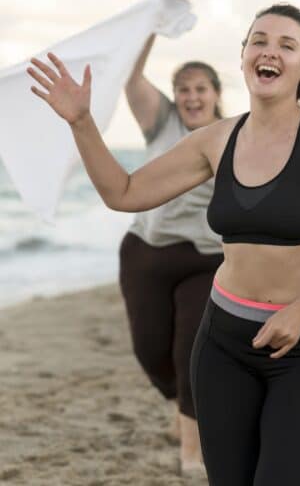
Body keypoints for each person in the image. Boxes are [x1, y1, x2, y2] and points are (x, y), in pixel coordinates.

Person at [27, 2, 300, 485]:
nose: (269, 51)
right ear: (245, 56)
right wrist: (81, 122)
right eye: (259, 41)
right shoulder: (215, 140)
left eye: (286, 45)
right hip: (222, 344)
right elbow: (123, 194)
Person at [119, 35, 224, 473]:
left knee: (189, 350)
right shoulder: (162, 123)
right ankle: (181, 405)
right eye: (184, 88)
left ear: (217, 94)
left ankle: (192, 452)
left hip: (206, 257)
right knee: (150, 350)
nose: (191, 96)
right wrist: (148, 29)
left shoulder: (235, 132)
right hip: (146, 254)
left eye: (201, 88)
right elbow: (130, 78)